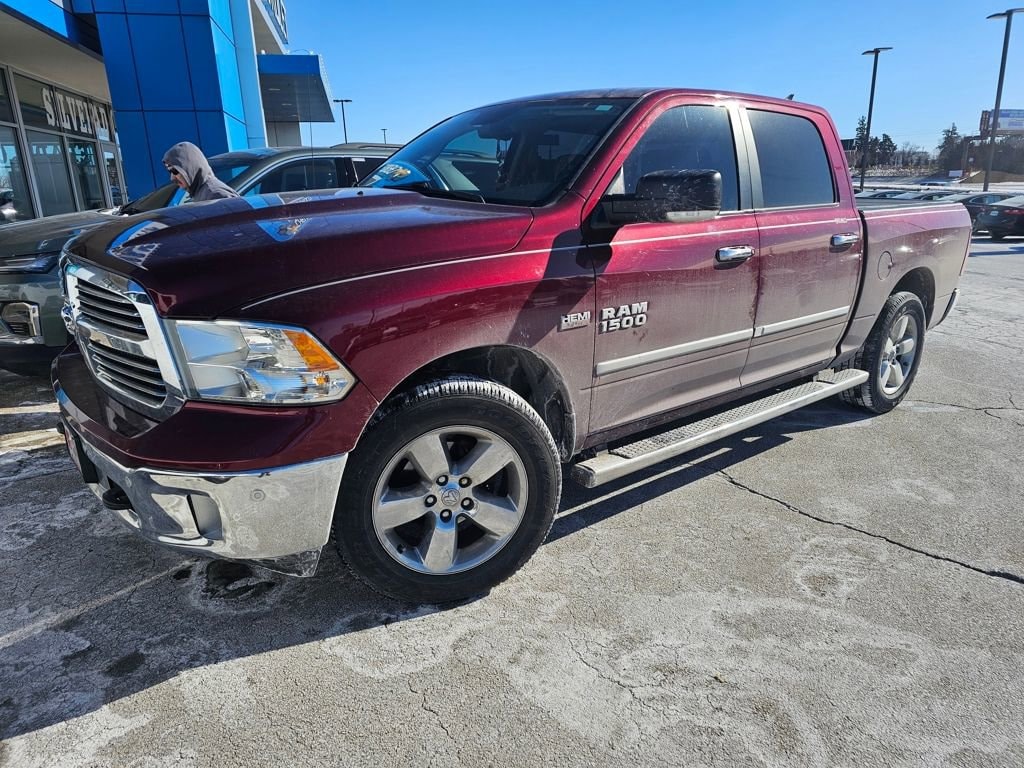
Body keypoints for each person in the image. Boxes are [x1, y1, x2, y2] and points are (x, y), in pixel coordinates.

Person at [162, 141, 238, 202]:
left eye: (175, 170)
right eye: (170, 171)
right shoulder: (203, 193)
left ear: (189, 168)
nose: (172, 178)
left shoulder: (216, 195)